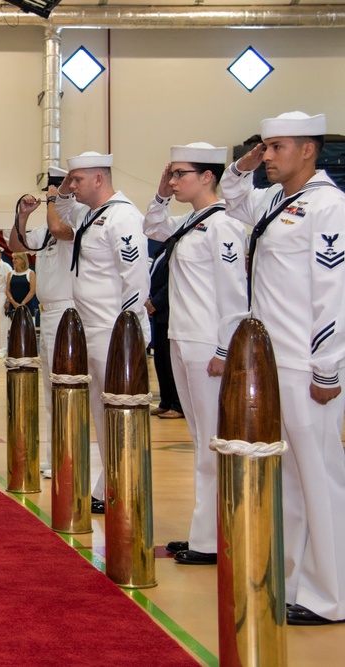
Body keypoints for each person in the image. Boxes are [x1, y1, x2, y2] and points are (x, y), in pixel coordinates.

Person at [221, 111, 345, 624]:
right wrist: (241, 164)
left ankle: (332, 595)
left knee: (320, 480)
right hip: (274, 362)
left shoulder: (329, 207)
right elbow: (232, 200)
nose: (267, 156)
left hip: (305, 362)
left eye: (275, 147)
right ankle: (296, 582)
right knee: (290, 481)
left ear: (308, 150)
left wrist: (328, 369)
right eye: (264, 148)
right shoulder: (277, 200)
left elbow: (334, 293)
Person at [145, 142, 247, 566]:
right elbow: (152, 224)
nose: (174, 181)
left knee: (213, 441)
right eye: (172, 174)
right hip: (182, 339)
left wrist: (226, 349)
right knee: (200, 441)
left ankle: (215, 539)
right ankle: (204, 534)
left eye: (181, 174)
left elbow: (234, 294)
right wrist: (161, 190)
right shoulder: (192, 222)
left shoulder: (224, 226)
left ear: (208, 176)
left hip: (209, 343)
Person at [45, 151, 150, 514]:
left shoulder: (123, 216)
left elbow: (134, 276)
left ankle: (125, 486)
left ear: (99, 179)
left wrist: (130, 333)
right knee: (102, 415)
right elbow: (61, 210)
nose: (71, 187)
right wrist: (60, 189)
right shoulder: (90, 214)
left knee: (118, 414)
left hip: (113, 331)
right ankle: (110, 485)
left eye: (77, 180)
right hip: (91, 328)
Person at [11, 171, 75, 478]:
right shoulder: (45, 228)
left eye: (54, 189)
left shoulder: (77, 218)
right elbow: (16, 245)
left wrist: (53, 201)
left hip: (71, 312)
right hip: (49, 314)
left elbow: (58, 228)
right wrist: (22, 216)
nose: (49, 195)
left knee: (69, 388)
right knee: (52, 389)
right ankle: (56, 455)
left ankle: (76, 456)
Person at [146, 243, 185, 421]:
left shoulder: (174, 254)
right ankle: (165, 401)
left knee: (170, 362)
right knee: (160, 360)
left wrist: (155, 303)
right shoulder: (161, 253)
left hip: (169, 311)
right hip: (159, 315)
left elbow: (171, 283)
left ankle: (178, 404)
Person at [8, 253, 36, 317]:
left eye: (16, 259)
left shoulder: (30, 273)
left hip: (27, 305)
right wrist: (14, 303)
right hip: (13, 306)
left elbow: (32, 291)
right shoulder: (10, 273)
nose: (13, 260)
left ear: (23, 260)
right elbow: (7, 290)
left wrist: (23, 303)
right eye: (13, 259)